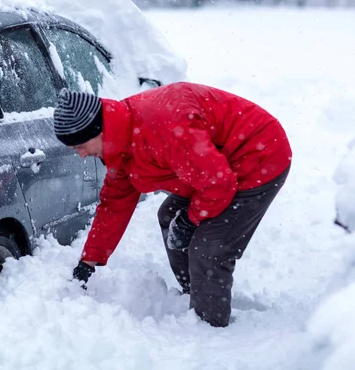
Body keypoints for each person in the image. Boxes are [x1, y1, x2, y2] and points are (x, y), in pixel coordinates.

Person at [52, 82, 292, 327]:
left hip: (259, 156)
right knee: (170, 216)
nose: (81, 155)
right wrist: (88, 261)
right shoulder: (120, 143)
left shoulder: (164, 127)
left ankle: (210, 329)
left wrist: (191, 219)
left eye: (80, 146)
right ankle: (196, 293)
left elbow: (218, 185)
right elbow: (114, 205)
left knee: (209, 250)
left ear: (97, 130)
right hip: (215, 169)